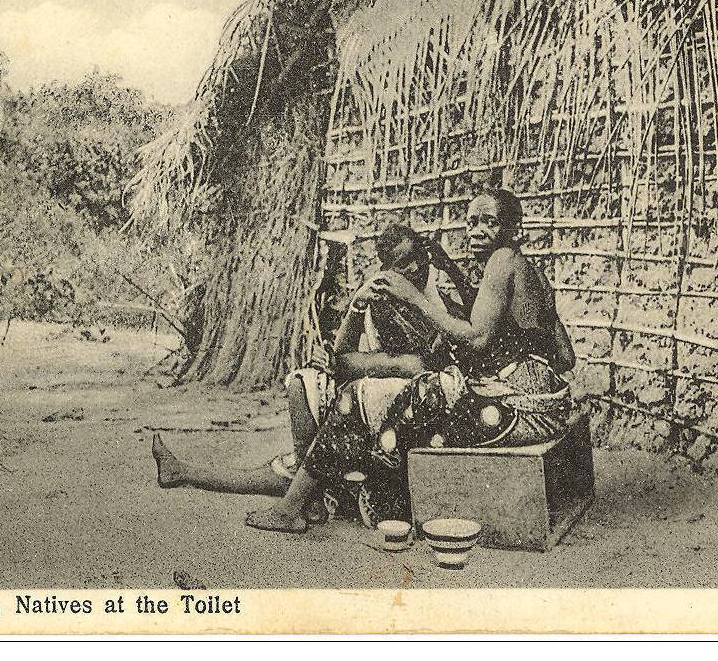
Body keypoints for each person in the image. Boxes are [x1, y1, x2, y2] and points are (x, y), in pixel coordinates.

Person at [245, 188, 578, 534]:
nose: (477, 231)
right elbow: (565, 357)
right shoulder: (532, 272)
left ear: (514, 229)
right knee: (404, 403)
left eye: (489, 223)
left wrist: (415, 299)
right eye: (472, 222)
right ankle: (357, 495)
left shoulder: (502, 261)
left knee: (360, 400)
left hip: (513, 411)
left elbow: (477, 337)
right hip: (548, 411)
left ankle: (295, 509)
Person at [151, 223, 471, 511]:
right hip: (378, 392)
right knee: (305, 382)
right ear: (386, 271)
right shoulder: (378, 300)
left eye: (418, 258)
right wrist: (364, 313)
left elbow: (453, 351)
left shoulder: (439, 303)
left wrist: (444, 272)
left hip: (406, 409)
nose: (414, 268)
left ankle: (302, 490)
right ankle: (189, 471)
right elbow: (343, 362)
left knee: (297, 469)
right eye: (402, 264)